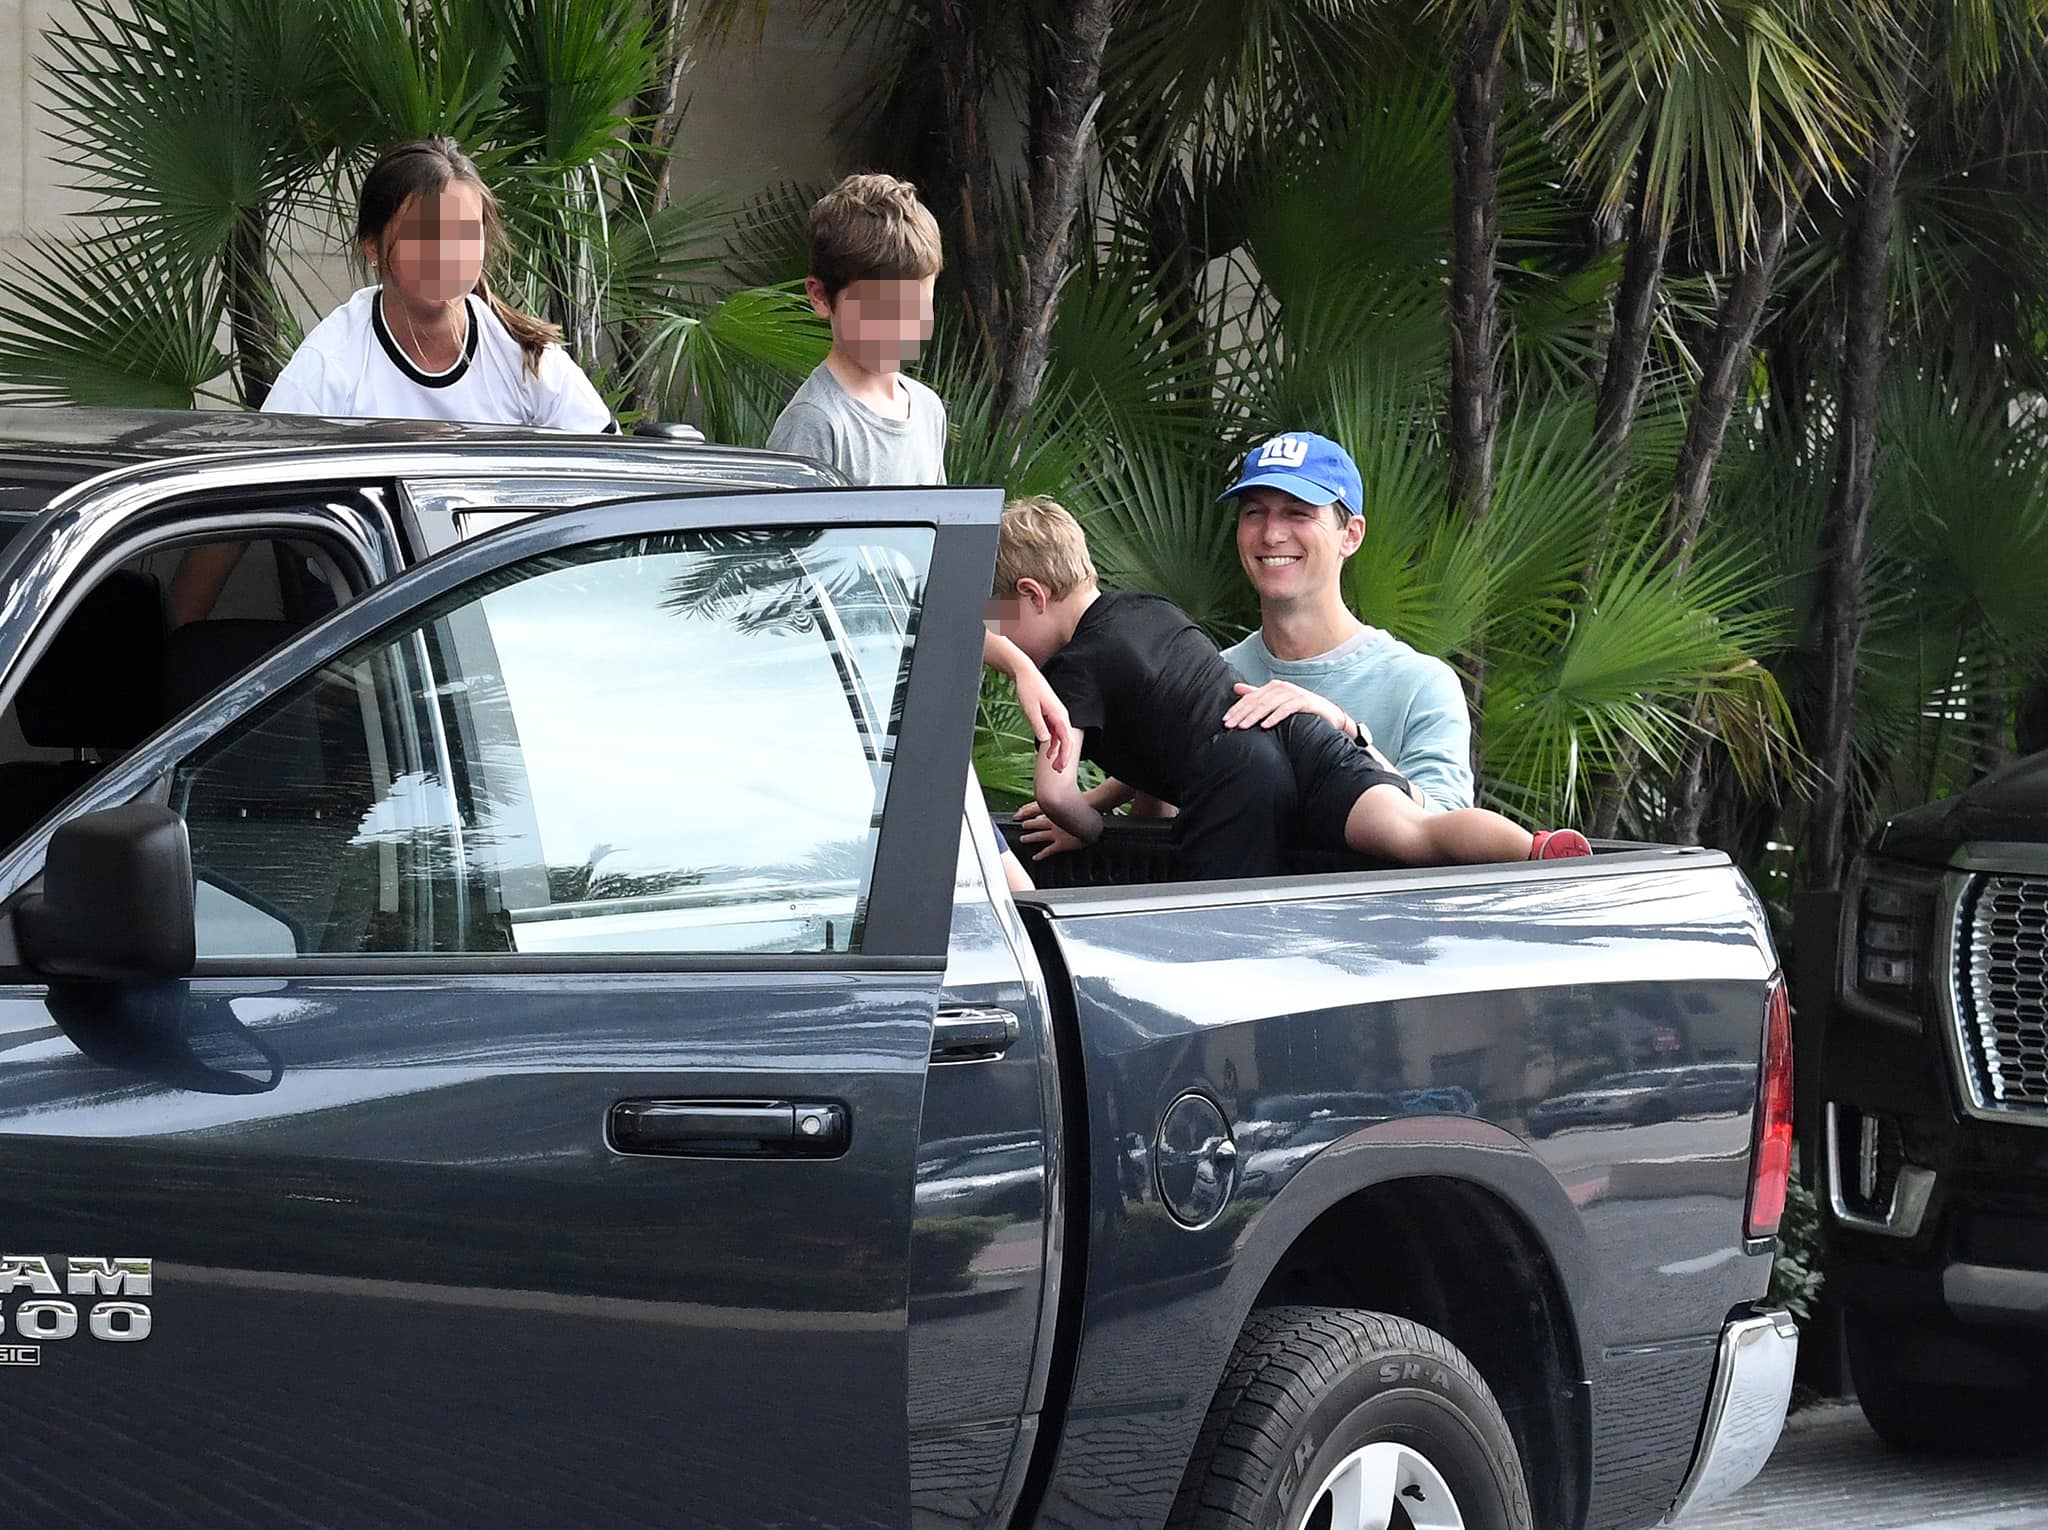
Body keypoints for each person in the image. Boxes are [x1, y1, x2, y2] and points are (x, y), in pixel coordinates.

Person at [991, 496, 1591, 880]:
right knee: (1415, 834)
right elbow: (1169, 732)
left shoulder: (1071, 671)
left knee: (1209, 921)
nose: (999, 644)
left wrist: (1082, 824)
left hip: (1235, 776)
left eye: (996, 624)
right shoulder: (1148, 609)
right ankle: (1536, 851)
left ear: (1033, 597)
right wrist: (1107, 799)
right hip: (1292, 731)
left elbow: (1054, 790)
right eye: (1256, 513)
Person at [170, 136, 615, 625]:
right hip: (366, 611)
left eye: (465, 232)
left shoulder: (526, 355)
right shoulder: (331, 361)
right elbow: (239, 505)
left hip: (504, 601)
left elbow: (614, 479)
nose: (449, 252)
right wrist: (171, 651)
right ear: (372, 245)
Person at [764, 172, 1064, 891]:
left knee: (1009, 895)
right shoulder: (814, 426)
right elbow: (788, 600)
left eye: (916, 310)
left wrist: (1020, 665)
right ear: (820, 297)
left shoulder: (925, 410)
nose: (900, 331)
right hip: (845, 730)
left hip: (922, 702)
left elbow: (928, 584)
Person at [1218, 431, 1476, 813]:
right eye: (1254, 513)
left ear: (1351, 535)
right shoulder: (1215, 673)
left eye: (1298, 513)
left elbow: (1448, 827)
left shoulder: (1420, 684)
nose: (1272, 535)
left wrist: (1345, 732)